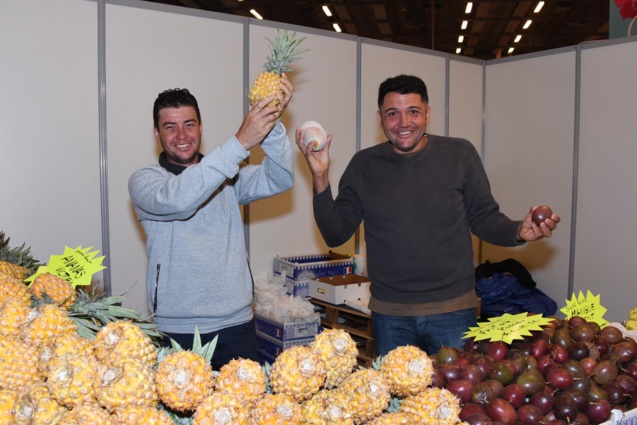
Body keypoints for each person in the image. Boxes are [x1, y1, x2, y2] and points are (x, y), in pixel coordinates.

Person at [295, 74, 560, 356]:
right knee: (398, 399)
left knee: (454, 398)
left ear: (428, 113)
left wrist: (519, 230)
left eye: (413, 112)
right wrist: (320, 176)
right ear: (380, 118)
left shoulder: (459, 155)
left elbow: (484, 218)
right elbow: (336, 235)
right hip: (390, 315)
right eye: (392, 114)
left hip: (453, 311)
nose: (404, 123)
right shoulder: (364, 165)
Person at [129, 74, 294, 369]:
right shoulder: (146, 182)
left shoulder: (227, 178)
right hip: (176, 330)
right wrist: (240, 142)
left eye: (189, 124)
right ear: (157, 134)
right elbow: (179, 200)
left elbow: (279, 177)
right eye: (170, 127)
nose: (182, 135)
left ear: (201, 128)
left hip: (236, 325)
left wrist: (271, 124)